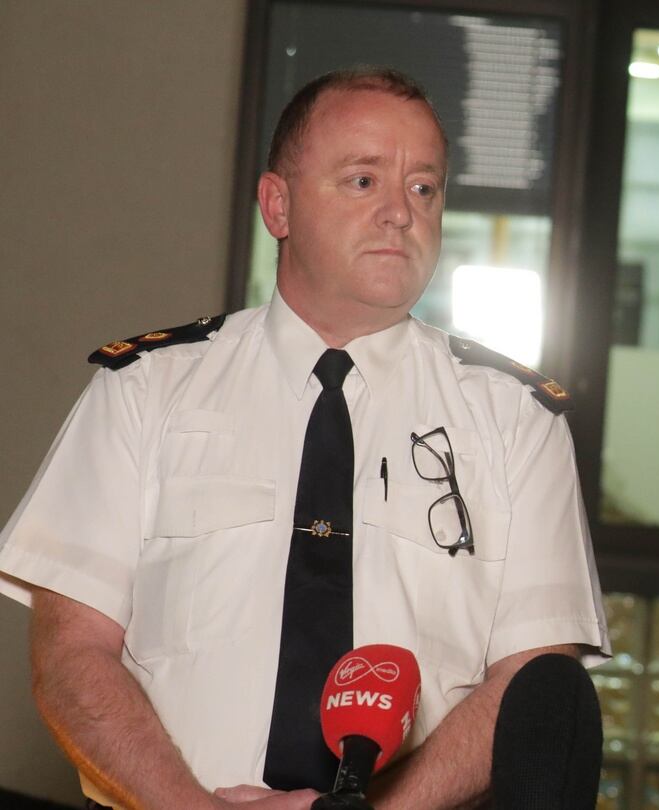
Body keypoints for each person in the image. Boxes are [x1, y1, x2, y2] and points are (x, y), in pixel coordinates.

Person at [0, 68, 607, 810]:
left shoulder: (516, 420)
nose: (400, 213)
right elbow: (71, 655)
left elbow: (533, 685)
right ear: (277, 204)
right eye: (363, 181)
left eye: (424, 188)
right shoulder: (145, 390)